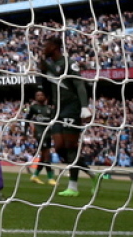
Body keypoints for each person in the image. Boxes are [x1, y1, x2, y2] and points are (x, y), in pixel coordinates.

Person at [38, 36, 94, 197]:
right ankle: (91, 173)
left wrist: (84, 107)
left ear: (55, 47)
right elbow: (46, 86)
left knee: (70, 146)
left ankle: (73, 187)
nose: (44, 48)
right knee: (59, 147)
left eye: (46, 45)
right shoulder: (48, 66)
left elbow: (79, 84)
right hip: (57, 110)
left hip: (72, 107)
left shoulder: (69, 63)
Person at [23, 89, 57, 185]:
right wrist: (24, 134)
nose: (40, 97)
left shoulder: (49, 109)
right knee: (47, 155)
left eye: (41, 95)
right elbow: (26, 120)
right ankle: (50, 178)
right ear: (35, 97)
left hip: (48, 134)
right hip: (39, 133)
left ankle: (34, 176)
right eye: (38, 95)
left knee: (44, 156)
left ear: (45, 97)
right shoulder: (33, 108)